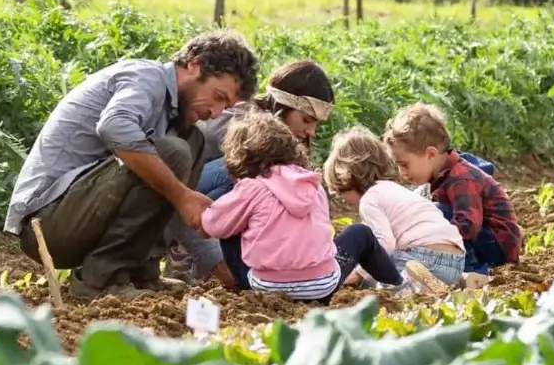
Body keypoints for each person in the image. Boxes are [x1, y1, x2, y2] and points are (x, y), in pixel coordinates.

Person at [3, 30, 259, 300]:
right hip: (47, 225)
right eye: (218, 97)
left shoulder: (180, 122)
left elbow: (177, 210)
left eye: (226, 106)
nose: (216, 113)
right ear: (194, 65)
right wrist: (181, 194)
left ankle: (140, 274)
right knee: (172, 152)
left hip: (82, 217)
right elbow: (114, 127)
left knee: (191, 142)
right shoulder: (145, 78)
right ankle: (100, 281)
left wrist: (224, 270)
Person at [200, 113, 404, 301]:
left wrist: (207, 213)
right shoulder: (312, 183)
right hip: (322, 286)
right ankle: (397, 284)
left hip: (266, 288)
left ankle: (243, 289)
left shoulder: (252, 187)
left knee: (230, 225)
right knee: (360, 232)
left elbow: (214, 226)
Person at [167, 60, 335, 277]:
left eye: (316, 124)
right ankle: (183, 253)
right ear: (282, 106)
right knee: (245, 174)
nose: (311, 131)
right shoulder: (241, 123)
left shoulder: (288, 141)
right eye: (306, 119)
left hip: (221, 204)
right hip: (183, 193)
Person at [384, 103, 521, 273]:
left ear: (431, 154)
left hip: (496, 248)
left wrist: (428, 239)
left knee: (435, 212)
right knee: (420, 204)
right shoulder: (441, 174)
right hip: (481, 241)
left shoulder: (462, 179)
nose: (401, 172)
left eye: (404, 164)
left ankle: (473, 269)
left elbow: (468, 226)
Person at [323, 127, 465, 289]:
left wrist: (358, 273)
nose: (343, 200)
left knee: (373, 281)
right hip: (455, 260)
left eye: (341, 192)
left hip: (423, 257)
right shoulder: (393, 189)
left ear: (347, 177)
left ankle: (415, 285)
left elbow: (385, 244)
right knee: (390, 266)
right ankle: (457, 280)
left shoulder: (369, 199)